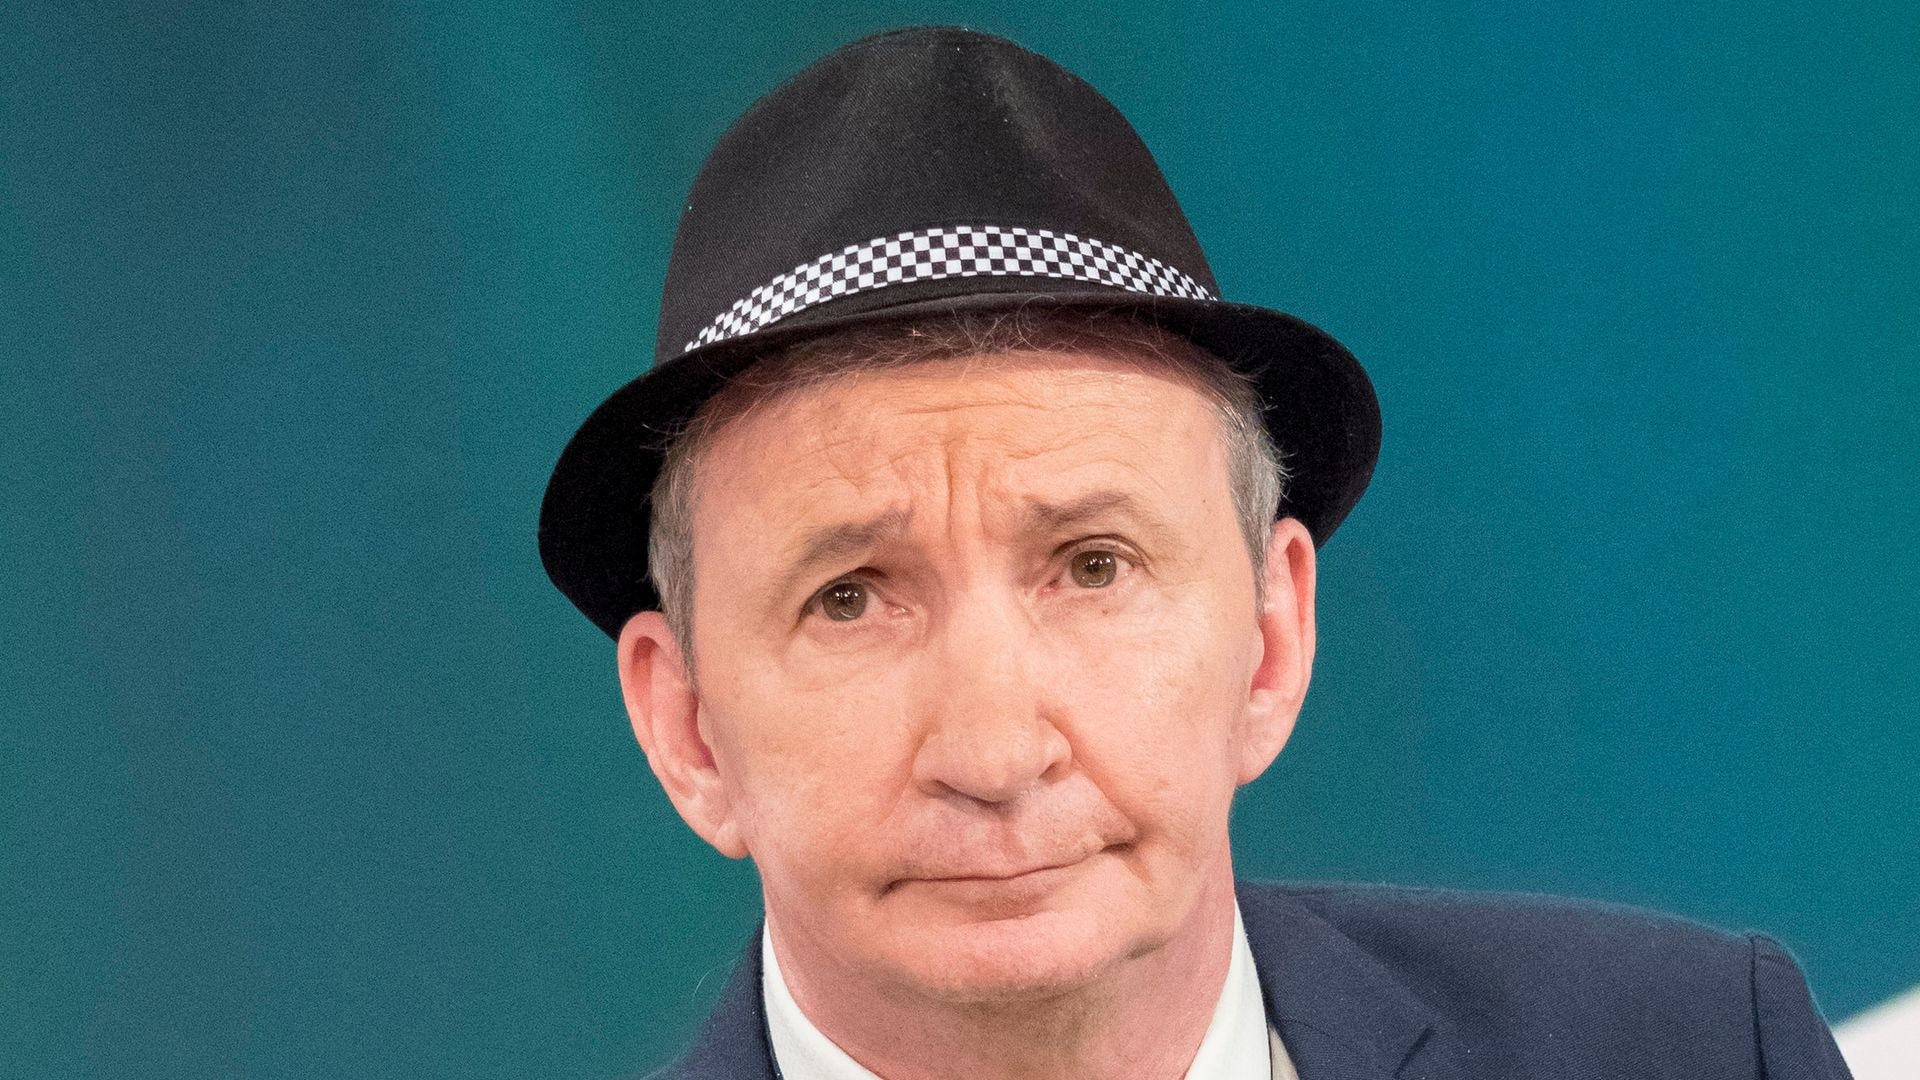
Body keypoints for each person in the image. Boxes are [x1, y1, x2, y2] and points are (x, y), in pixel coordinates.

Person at [538, 26, 1853, 1080]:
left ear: (1272, 638)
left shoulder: (1693, 1050)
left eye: (1092, 565)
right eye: (849, 598)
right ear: (690, 726)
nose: (996, 755)